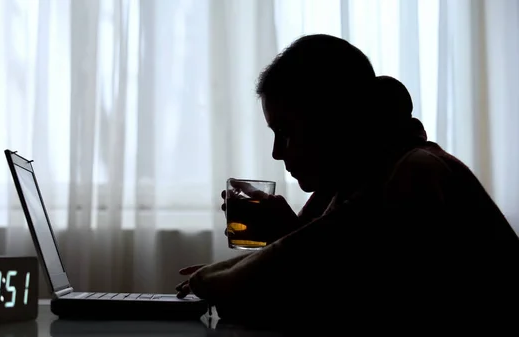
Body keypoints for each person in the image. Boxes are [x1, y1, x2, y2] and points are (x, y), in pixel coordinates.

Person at [176, 34, 519, 334]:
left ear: (337, 120)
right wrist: (288, 233)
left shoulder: (417, 173)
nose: (278, 153)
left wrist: (221, 276)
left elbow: (359, 306)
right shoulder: (364, 176)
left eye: (288, 131)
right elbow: (345, 272)